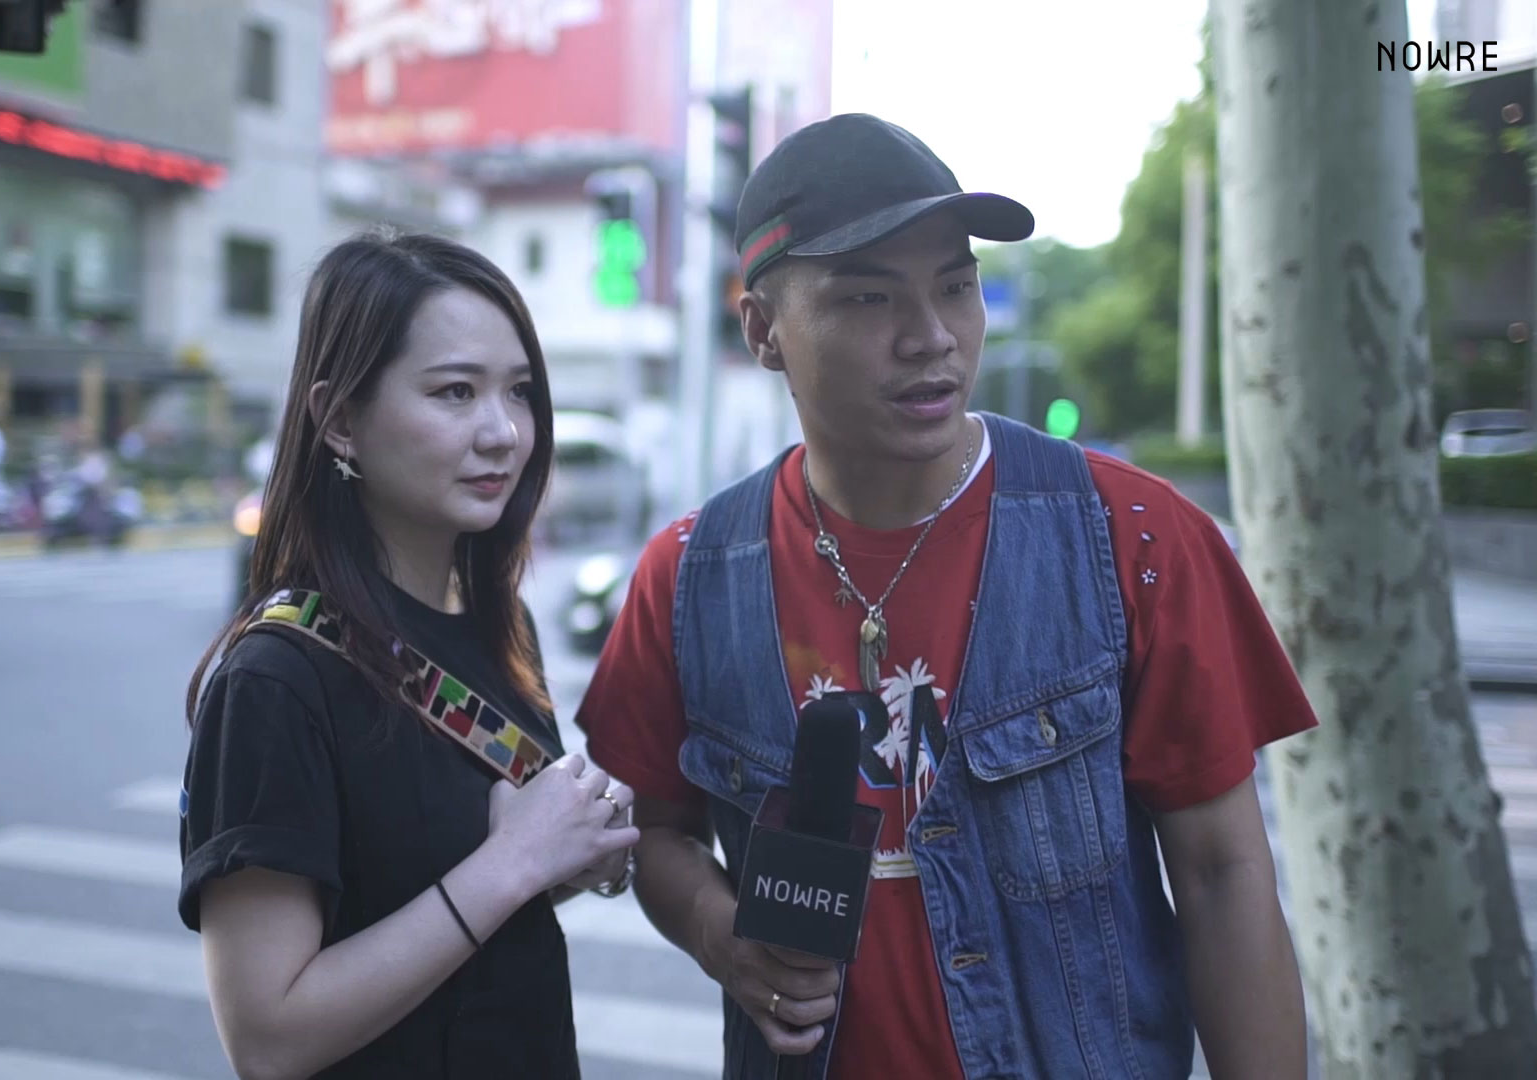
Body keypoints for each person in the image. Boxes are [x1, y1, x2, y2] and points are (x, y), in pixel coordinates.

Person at [575, 113, 1318, 1079]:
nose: (931, 337)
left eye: (955, 287)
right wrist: (723, 932)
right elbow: (659, 831)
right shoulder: (687, 576)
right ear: (763, 331)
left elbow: (1223, 875)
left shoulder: (1131, 537)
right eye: (868, 297)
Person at [178, 230, 639, 1080]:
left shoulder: (502, 623)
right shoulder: (277, 680)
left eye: (519, 392)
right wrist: (512, 864)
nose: (503, 432)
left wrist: (572, 852)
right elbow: (267, 1038)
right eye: (455, 392)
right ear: (339, 420)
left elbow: (472, 890)